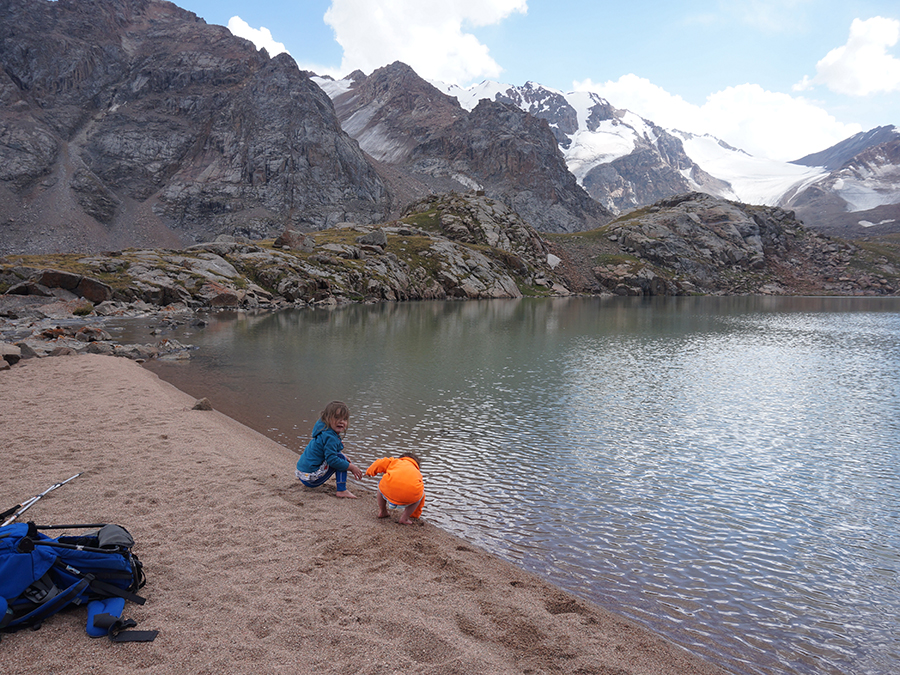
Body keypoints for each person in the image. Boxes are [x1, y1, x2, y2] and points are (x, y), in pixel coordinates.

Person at [295, 401, 363, 499]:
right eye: (336, 417)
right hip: (311, 480)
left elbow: (326, 450)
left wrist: (341, 453)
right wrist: (351, 467)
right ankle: (342, 490)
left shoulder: (323, 429)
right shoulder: (330, 437)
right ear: (326, 418)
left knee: (340, 456)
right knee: (340, 460)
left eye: (344, 419)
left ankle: (341, 487)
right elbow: (332, 460)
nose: (341, 421)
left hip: (303, 476)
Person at [365, 453, 425, 524]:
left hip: (388, 491)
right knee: (420, 494)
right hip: (408, 496)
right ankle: (404, 518)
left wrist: (369, 471)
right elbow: (421, 499)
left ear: (401, 458)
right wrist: (415, 515)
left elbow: (379, 463)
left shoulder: (394, 461)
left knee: (381, 483)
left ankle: (383, 511)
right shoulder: (417, 472)